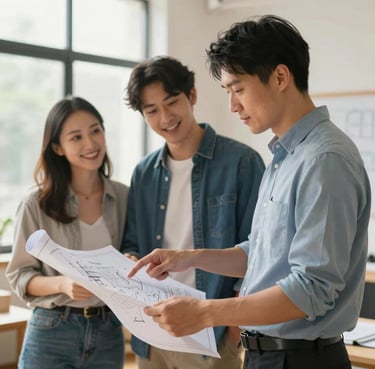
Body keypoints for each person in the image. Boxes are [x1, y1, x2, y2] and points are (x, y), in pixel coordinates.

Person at [128, 15, 372, 369]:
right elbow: (258, 252)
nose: (233, 106)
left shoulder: (324, 159)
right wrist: (189, 257)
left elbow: (312, 289)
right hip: (267, 354)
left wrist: (207, 312)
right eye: (228, 92)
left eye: (238, 89)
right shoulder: (285, 155)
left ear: (280, 77)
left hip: (299, 359)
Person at [122, 55, 265, 369]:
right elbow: (132, 241)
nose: (165, 117)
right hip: (153, 329)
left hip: (211, 334)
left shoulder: (242, 163)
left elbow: (258, 250)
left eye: (171, 102)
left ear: (192, 96)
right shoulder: (143, 173)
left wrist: (233, 329)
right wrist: (131, 259)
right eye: (151, 110)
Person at [6, 96, 129, 369]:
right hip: (52, 329)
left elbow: (131, 250)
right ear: (58, 148)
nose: (90, 143)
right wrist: (63, 284)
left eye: (95, 130)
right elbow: (19, 276)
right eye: (76, 137)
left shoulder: (123, 196)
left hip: (108, 330)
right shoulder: (36, 203)